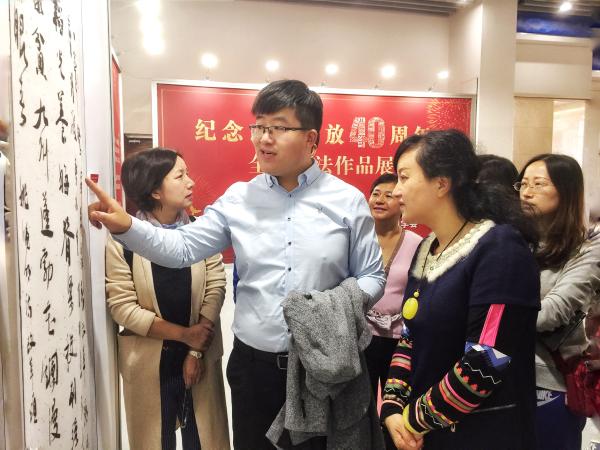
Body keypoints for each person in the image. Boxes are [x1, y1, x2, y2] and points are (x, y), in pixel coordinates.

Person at [87, 79, 386, 450]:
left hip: (322, 369)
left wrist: (330, 310)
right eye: (258, 126)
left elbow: (372, 276)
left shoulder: (347, 201)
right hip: (254, 369)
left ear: (311, 139)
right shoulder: (239, 199)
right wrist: (127, 226)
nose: (263, 139)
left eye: (278, 128)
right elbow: (182, 248)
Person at [380, 130, 540, 450]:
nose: (396, 191)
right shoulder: (428, 247)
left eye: (404, 177)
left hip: (483, 433)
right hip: (429, 431)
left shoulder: (499, 248)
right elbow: (410, 336)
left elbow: (486, 359)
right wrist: (392, 407)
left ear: (442, 183)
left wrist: (414, 421)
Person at [105, 148, 230, 450]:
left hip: (200, 354)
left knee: (203, 440)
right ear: (155, 191)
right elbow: (122, 307)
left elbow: (216, 283)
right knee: (155, 440)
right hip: (149, 360)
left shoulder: (200, 230)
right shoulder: (123, 240)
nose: (190, 182)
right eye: (180, 176)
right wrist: (185, 335)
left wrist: (195, 349)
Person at [516, 153, 600, 450]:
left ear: (566, 191)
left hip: (550, 381)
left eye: (539, 184)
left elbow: (552, 312)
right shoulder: (514, 241)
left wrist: (491, 316)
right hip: (503, 376)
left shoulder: (586, 248)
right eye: (523, 183)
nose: (527, 192)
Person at [364, 173, 422, 400]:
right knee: (361, 406)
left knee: (397, 401)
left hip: (400, 339)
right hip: (362, 335)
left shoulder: (418, 244)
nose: (379, 200)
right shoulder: (358, 239)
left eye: (388, 195)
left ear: (402, 202)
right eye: (375, 194)